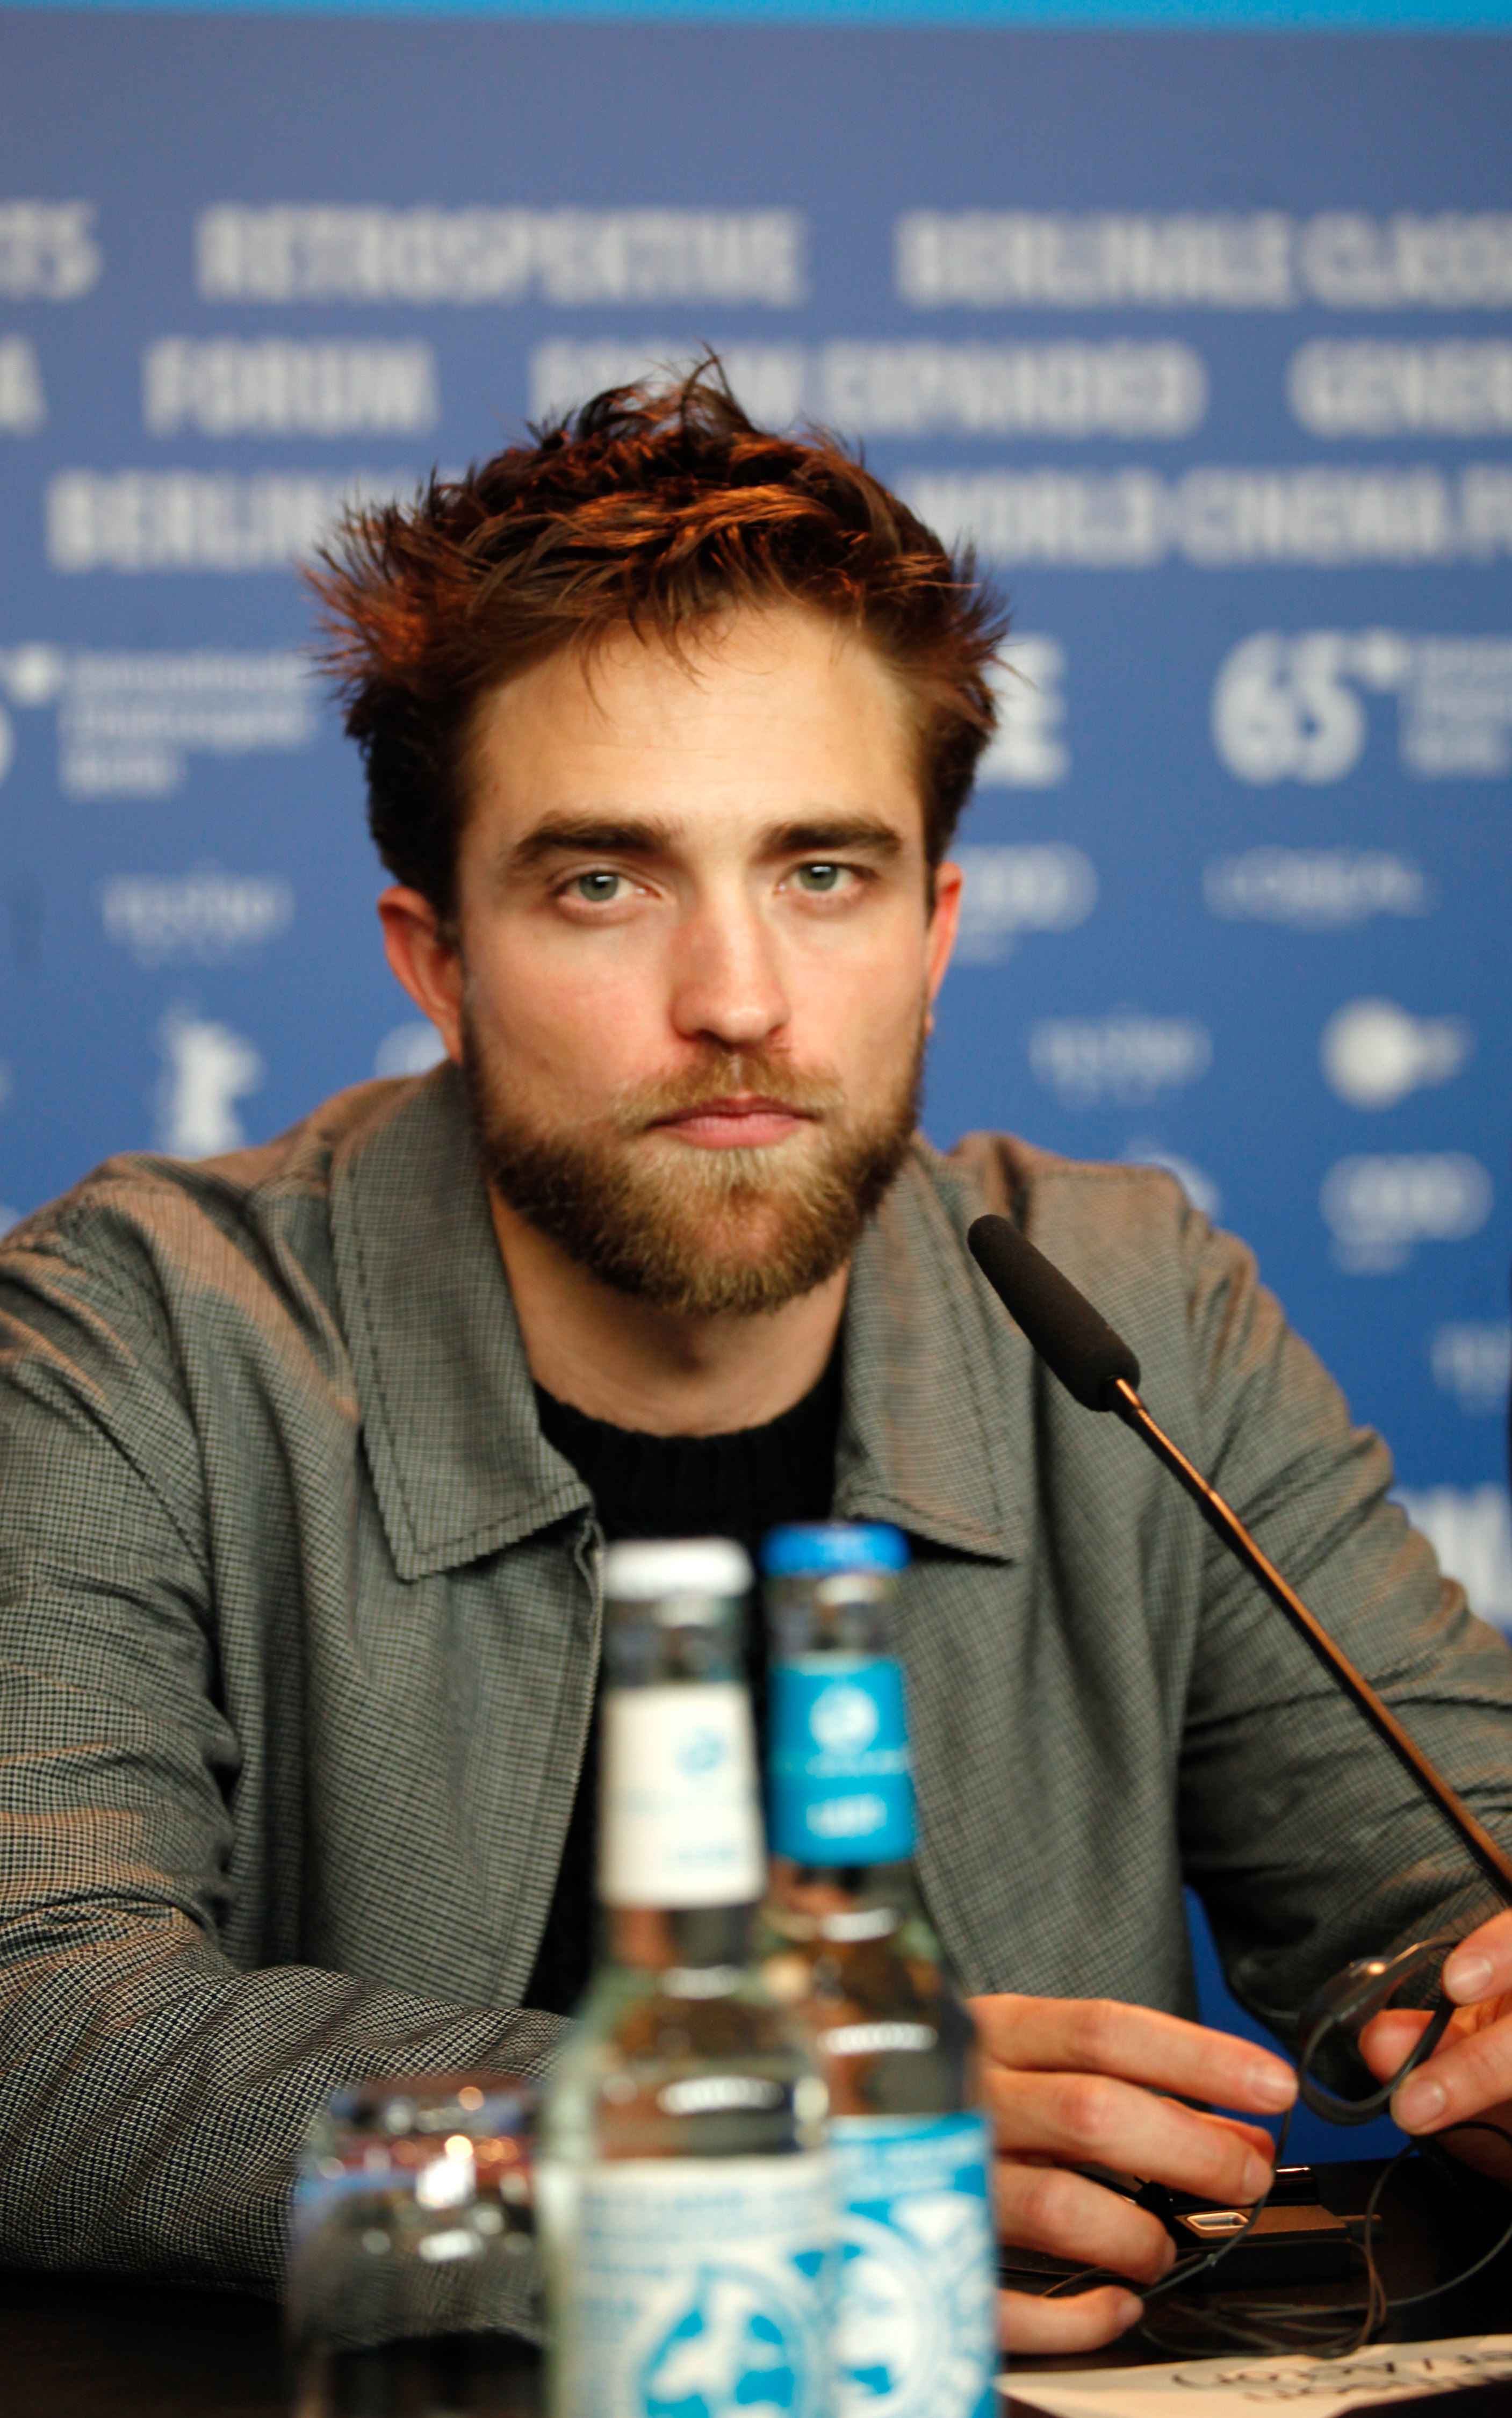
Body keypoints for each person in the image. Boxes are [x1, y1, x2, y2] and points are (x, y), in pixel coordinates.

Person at [1, 370, 1510, 2350]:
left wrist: (1488, 2007)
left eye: (822, 873)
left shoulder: (1136, 1296)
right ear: (437, 959)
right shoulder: (143, 1329)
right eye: (604, 881)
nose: (738, 999)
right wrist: (699, 2145)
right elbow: (36, 2031)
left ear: (934, 931)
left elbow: (1447, 1878)